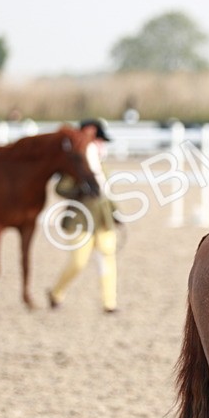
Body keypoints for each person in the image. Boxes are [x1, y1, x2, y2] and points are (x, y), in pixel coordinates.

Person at [47, 118, 120, 314]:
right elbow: (60, 188)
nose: (100, 145)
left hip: (103, 219)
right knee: (78, 261)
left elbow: (106, 194)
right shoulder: (76, 166)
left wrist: (115, 212)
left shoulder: (103, 167)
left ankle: (109, 303)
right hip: (80, 220)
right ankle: (56, 292)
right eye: (97, 141)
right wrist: (80, 190)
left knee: (107, 257)